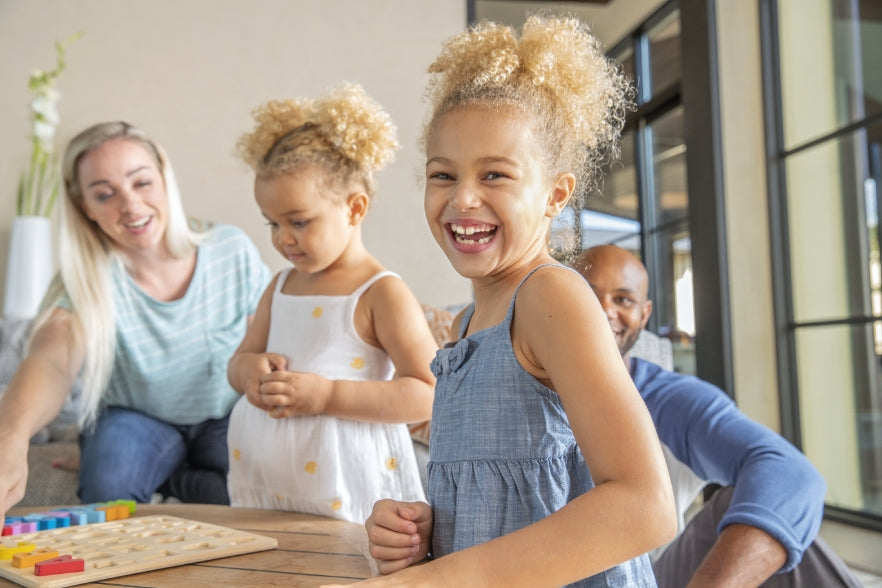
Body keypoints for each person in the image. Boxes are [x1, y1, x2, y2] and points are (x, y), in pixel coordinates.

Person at [349, 15, 678, 588]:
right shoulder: (468, 323)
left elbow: (644, 508)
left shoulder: (552, 297)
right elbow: (506, 501)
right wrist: (429, 532)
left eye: (496, 174)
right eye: (443, 175)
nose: (464, 198)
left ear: (554, 194)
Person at [0, 121, 271, 519]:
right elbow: (51, 361)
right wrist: (12, 437)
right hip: (135, 417)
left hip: (225, 414)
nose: (129, 205)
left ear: (164, 179)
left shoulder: (230, 249)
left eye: (141, 183)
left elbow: (272, 340)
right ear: (84, 207)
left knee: (254, 491)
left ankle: (171, 478)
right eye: (105, 194)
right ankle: (127, 457)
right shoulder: (83, 279)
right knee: (107, 487)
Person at [573, 244, 863, 588]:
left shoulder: (664, 398)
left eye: (623, 300)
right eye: (588, 294)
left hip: (649, 580)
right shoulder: (513, 394)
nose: (604, 310)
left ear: (645, 314)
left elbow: (792, 475)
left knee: (755, 519)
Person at [226, 83, 438, 524]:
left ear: (354, 208)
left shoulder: (381, 292)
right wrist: (250, 373)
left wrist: (327, 395)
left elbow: (429, 395)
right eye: (272, 223)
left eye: (299, 222)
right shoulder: (280, 284)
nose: (283, 238)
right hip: (267, 490)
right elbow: (239, 361)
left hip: (351, 491)